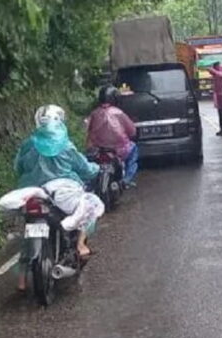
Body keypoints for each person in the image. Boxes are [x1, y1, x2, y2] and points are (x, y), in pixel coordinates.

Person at [14, 105, 103, 262]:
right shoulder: (66, 145)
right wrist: (96, 169)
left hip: (32, 190)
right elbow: (84, 168)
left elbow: (18, 167)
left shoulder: (28, 145)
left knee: (28, 224)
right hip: (64, 191)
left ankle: (22, 274)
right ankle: (81, 245)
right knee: (89, 205)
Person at [86, 85, 139, 186]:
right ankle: (127, 179)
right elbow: (132, 131)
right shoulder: (119, 113)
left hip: (98, 150)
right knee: (134, 149)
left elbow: (88, 130)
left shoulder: (94, 113)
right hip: (119, 151)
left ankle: (88, 184)